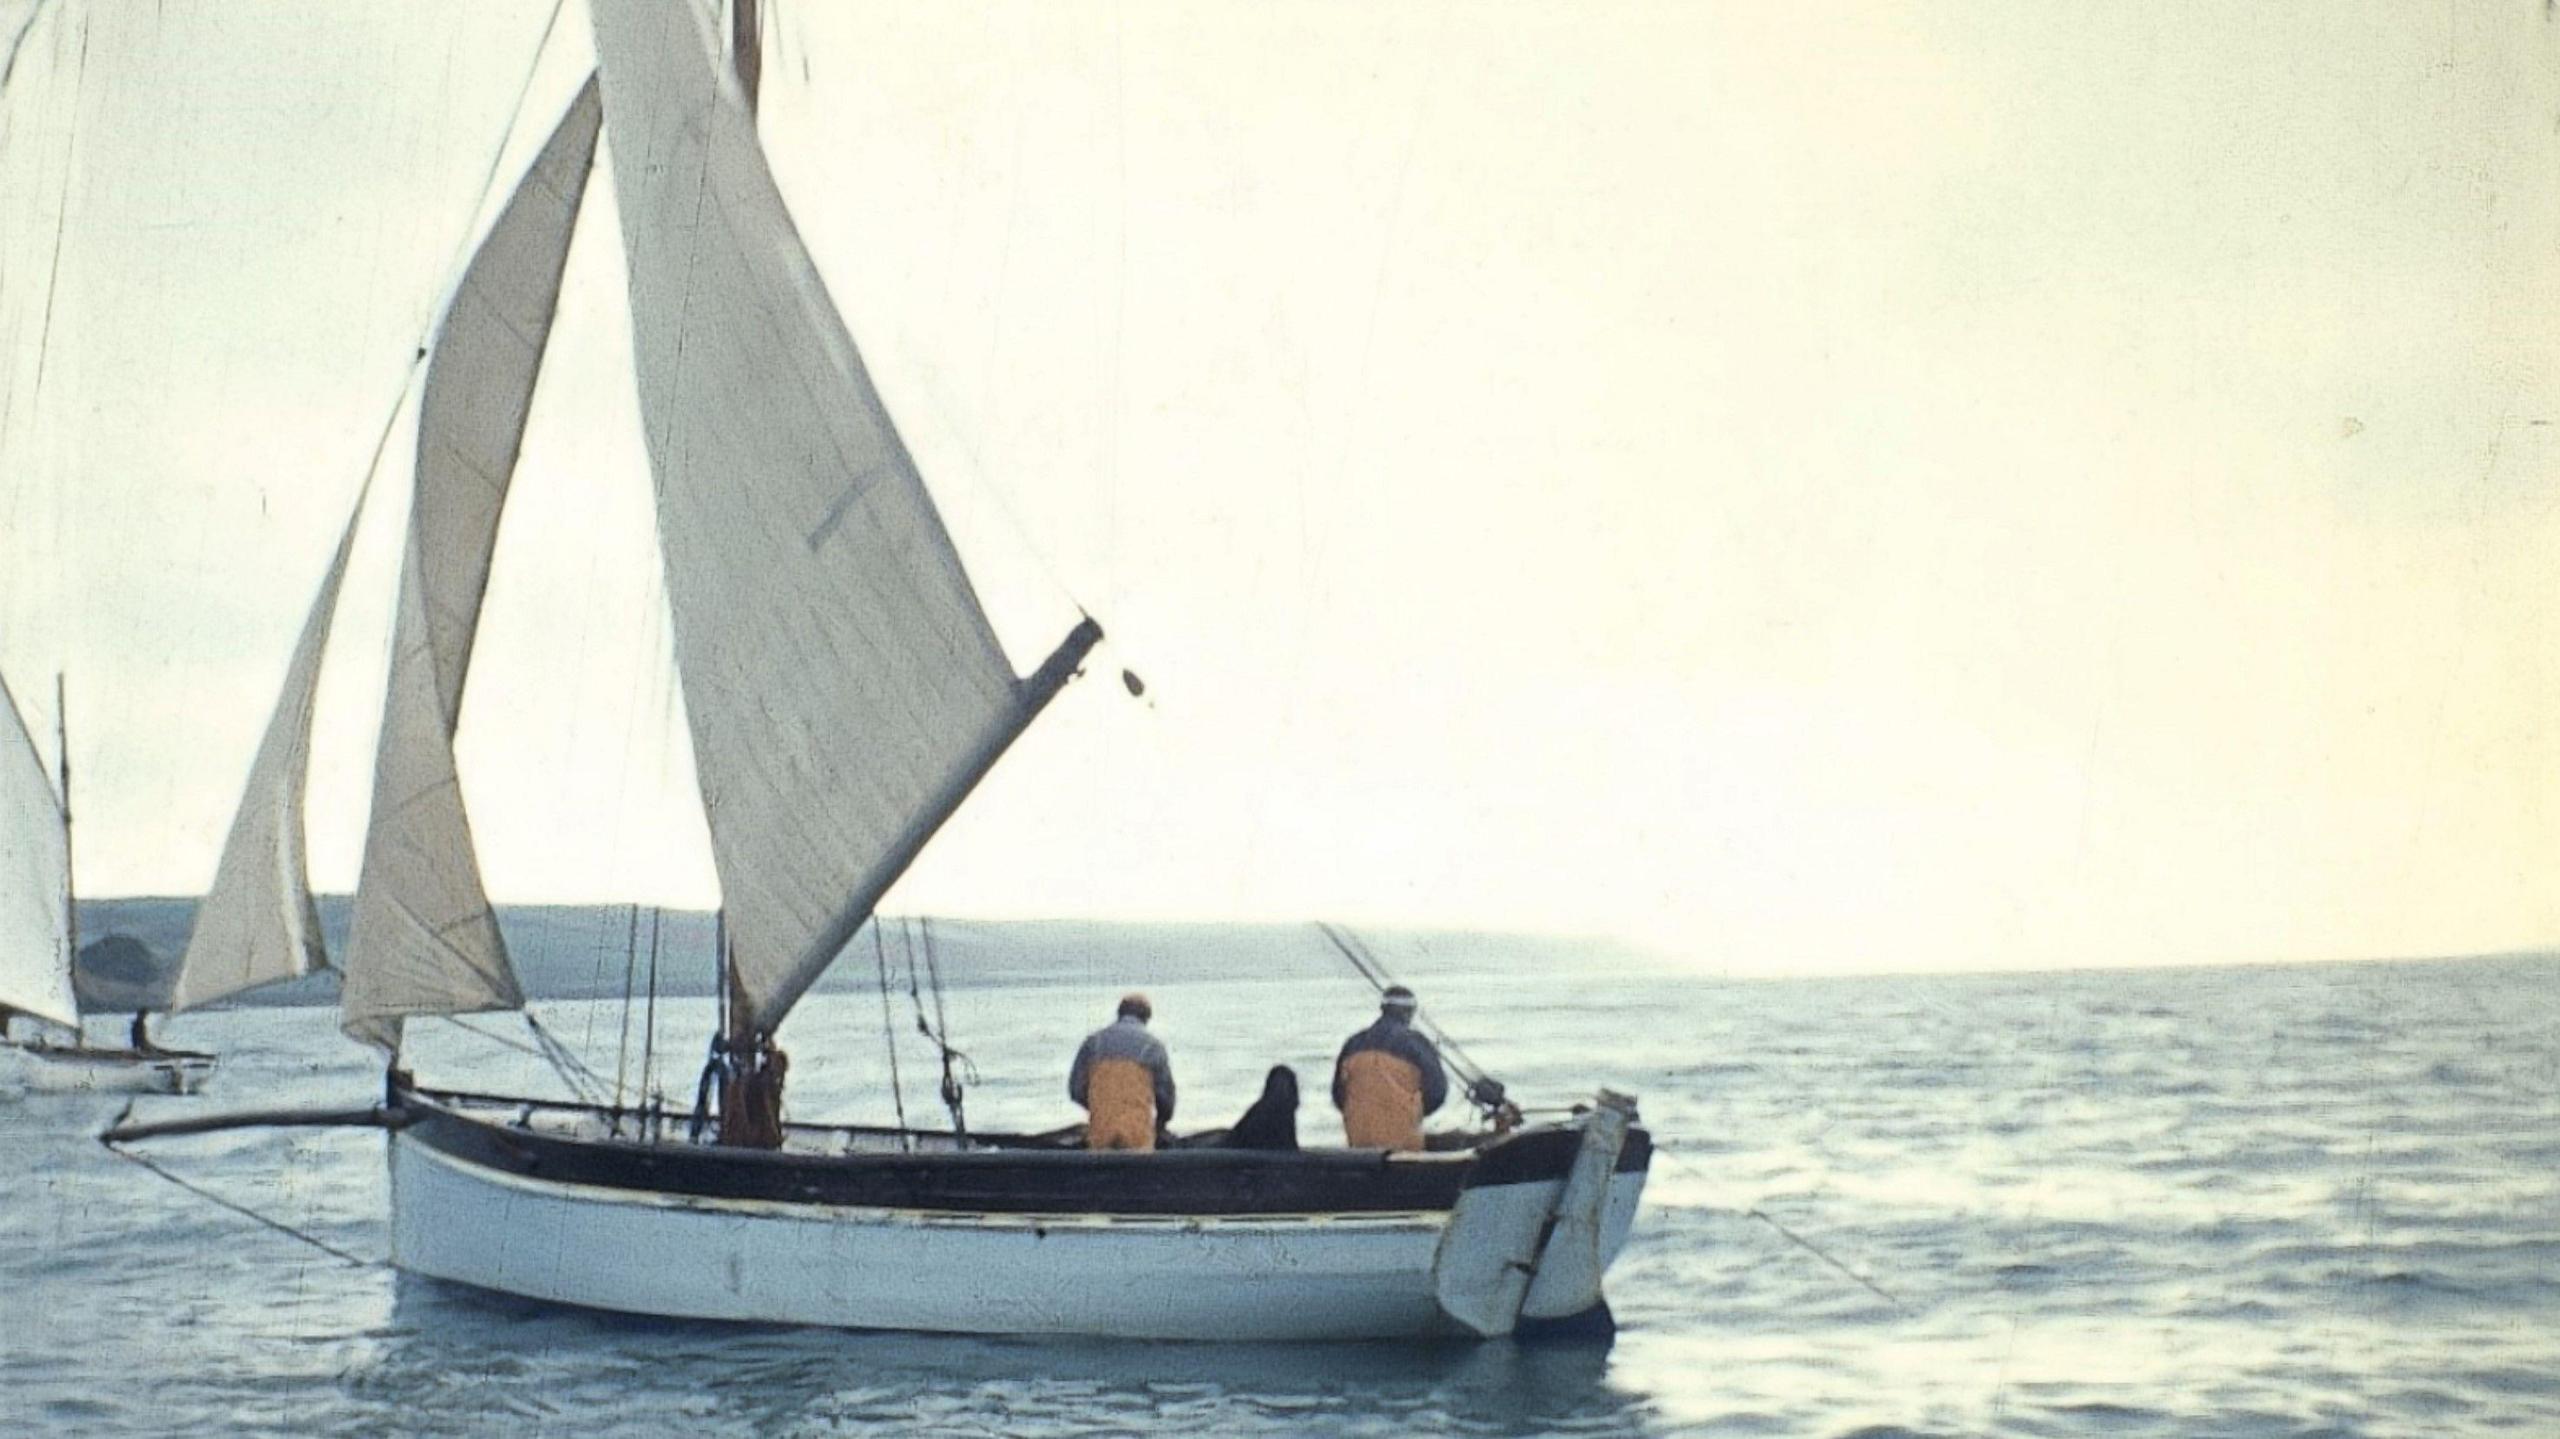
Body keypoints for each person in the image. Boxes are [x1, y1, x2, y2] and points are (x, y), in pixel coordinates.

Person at [1331, 985, 1448, 1151]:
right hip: (1405, 1142)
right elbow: (1437, 1092)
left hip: (1358, 1140)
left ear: (1382, 1009)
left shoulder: (1353, 1043)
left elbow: (1338, 1095)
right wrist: (1412, 1112)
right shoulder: (1416, 1043)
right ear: (1410, 1012)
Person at [1069, 993, 1175, 1151]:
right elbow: (1166, 1099)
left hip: (1100, 1135)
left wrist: (1101, 1107)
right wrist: (1160, 1123)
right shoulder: (1153, 1047)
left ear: (1119, 1014)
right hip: (1138, 1137)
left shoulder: (1093, 1043)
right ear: (1146, 1018)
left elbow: (1076, 1090)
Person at [1221, 1065, 1300, 1151]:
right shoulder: (1263, 1111)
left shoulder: (1286, 1111)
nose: (1283, 1090)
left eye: (1285, 1086)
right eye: (1279, 1086)